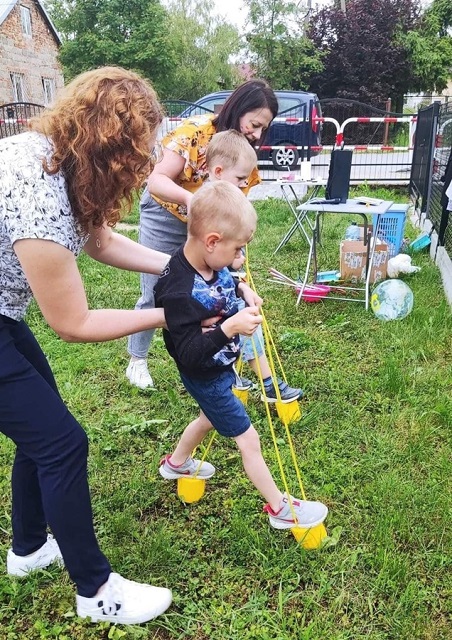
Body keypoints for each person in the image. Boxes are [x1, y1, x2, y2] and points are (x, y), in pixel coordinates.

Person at [0, 67, 175, 625]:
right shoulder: (34, 184)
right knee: (62, 443)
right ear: (111, 143)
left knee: (42, 428)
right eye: (139, 150)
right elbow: (72, 322)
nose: (143, 163)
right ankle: (96, 592)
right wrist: (173, 312)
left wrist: (179, 271)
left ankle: (28, 549)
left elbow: (98, 239)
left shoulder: (56, 156)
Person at [154, 181, 328, 530]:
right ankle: (281, 509)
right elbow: (187, 355)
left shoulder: (208, 261)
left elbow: (224, 278)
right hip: (206, 375)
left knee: (207, 419)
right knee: (249, 439)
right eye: (238, 249)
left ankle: (176, 463)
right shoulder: (178, 290)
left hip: (220, 369)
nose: (240, 257)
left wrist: (241, 286)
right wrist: (229, 328)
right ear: (213, 241)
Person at [126, 79, 279, 389]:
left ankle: (215, 360)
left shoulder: (243, 157)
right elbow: (156, 181)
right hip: (167, 213)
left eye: (264, 128)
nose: (257, 134)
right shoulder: (195, 133)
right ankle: (137, 360)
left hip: (207, 225)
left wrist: (235, 253)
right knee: (157, 287)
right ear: (238, 110)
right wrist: (192, 200)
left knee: (217, 291)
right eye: (255, 124)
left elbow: (235, 209)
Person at [205, 130, 303, 404]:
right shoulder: (209, 205)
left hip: (227, 282)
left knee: (247, 327)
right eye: (239, 179)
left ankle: (237, 379)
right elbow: (205, 254)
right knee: (245, 327)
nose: (243, 185)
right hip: (213, 290)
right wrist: (231, 259)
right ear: (218, 171)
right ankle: (269, 385)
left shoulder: (221, 199)